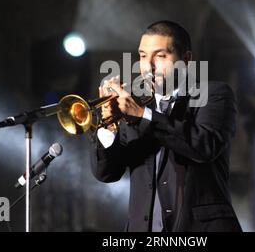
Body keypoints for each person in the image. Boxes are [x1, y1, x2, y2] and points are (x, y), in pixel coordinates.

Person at [90, 20, 242, 232]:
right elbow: (106, 173)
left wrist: (144, 115)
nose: (148, 65)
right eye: (143, 56)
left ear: (186, 59)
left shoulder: (213, 94)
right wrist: (108, 125)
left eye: (160, 56)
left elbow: (203, 147)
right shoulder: (135, 108)